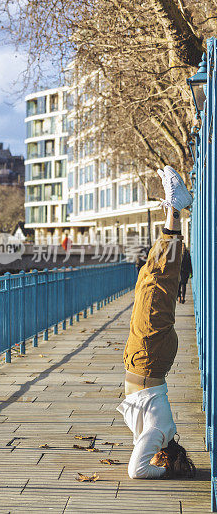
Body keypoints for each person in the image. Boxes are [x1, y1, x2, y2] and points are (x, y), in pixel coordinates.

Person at [118, 166, 196, 479]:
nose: (154, 460)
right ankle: (175, 209)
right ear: (166, 456)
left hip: (145, 359)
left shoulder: (158, 435)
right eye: (160, 462)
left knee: (147, 279)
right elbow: (136, 472)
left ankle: (174, 208)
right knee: (158, 282)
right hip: (148, 358)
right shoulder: (159, 434)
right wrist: (163, 474)